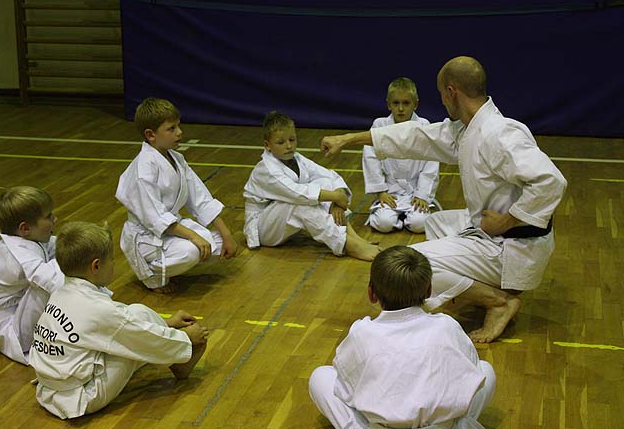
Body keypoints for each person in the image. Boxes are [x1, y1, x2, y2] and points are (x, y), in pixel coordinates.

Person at [320, 56, 567, 343]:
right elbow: (416, 136)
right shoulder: (469, 127)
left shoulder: (498, 133)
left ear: (451, 92)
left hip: (512, 245)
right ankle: (478, 289)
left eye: (441, 94)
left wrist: (506, 221)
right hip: (495, 234)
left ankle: (499, 301)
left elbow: (550, 181)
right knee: (437, 222)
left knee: (416, 264)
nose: (442, 101)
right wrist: (349, 138)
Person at [308, 246, 496, 429]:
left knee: (321, 377)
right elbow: (468, 375)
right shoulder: (447, 325)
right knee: (486, 371)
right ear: (429, 291)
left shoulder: (362, 332)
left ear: (371, 293)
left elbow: (347, 388)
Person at [29, 221, 208, 419]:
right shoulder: (96, 308)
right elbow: (135, 333)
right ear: (96, 266)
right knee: (132, 340)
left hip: (50, 386)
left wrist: (168, 324)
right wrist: (185, 338)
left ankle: (174, 348)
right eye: (112, 260)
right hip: (82, 396)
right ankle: (181, 359)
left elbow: (119, 318)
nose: (114, 264)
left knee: (136, 313)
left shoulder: (61, 293)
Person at [116, 98, 237, 293]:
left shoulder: (176, 158)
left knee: (219, 243)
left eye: (178, 126)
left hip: (169, 229)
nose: (179, 133)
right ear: (150, 135)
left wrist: (227, 235)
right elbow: (156, 218)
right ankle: (150, 272)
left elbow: (201, 200)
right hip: (146, 236)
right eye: (171, 129)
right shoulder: (143, 170)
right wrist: (194, 237)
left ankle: (172, 259)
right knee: (192, 251)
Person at [243, 111, 380, 261]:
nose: (288, 146)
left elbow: (328, 175)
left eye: (292, 139)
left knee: (324, 183)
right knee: (301, 204)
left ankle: (352, 236)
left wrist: (337, 199)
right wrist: (335, 196)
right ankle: (346, 244)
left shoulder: (296, 158)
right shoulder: (266, 169)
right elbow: (297, 193)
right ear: (267, 145)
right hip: (263, 227)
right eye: (281, 142)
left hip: (281, 219)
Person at [0, 186, 64, 365]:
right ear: (24, 228)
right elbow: (55, 282)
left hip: (18, 310)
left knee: (68, 261)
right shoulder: (18, 255)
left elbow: (63, 246)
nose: (55, 219)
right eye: (48, 216)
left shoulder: (28, 239)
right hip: (8, 327)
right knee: (56, 280)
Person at [363, 77, 439, 233]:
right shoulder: (379, 125)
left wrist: (422, 194)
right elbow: (371, 158)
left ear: (416, 104)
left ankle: (409, 216)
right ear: (388, 104)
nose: (401, 109)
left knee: (419, 224)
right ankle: (394, 217)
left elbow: (432, 163)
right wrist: (381, 191)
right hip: (390, 191)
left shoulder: (424, 126)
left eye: (406, 103)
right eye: (396, 103)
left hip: (416, 189)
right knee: (384, 224)